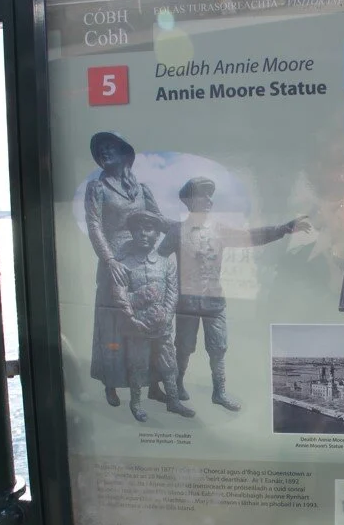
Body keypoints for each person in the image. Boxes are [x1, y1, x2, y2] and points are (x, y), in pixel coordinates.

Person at [159, 177, 310, 411]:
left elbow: (250, 236)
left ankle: (219, 392)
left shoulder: (219, 230)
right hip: (186, 302)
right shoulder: (177, 231)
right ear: (189, 200)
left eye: (210, 195)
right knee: (184, 346)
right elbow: (158, 259)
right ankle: (178, 384)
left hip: (214, 302)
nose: (208, 199)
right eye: (202, 195)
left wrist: (283, 229)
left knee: (218, 348)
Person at [84, 132, 170, 408]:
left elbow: (160, 221)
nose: (104, 152)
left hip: (143, 258)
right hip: (115, 261)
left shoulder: (142, 189)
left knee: (150, 315)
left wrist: (188, 228)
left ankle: (153, 384)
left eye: (110, 147)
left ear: (124, 153)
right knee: (112, 323)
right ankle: (110, 383)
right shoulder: (97, 188)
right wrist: (110, 261)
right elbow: (94, 226)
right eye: (100, 149)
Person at [110, 210, 194, 421]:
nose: (143, 233)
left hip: (162, 327)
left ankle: (173, 401)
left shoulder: (166, 264)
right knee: (138, 365)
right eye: (137, 229)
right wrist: (134, 315)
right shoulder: (123, 263)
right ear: (132, 233)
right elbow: (119, 295)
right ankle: (136, 403)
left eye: (149, 229)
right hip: (136, 327)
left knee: (169, 364)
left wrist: (166, 316)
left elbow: (172, 294)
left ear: (157, 234)